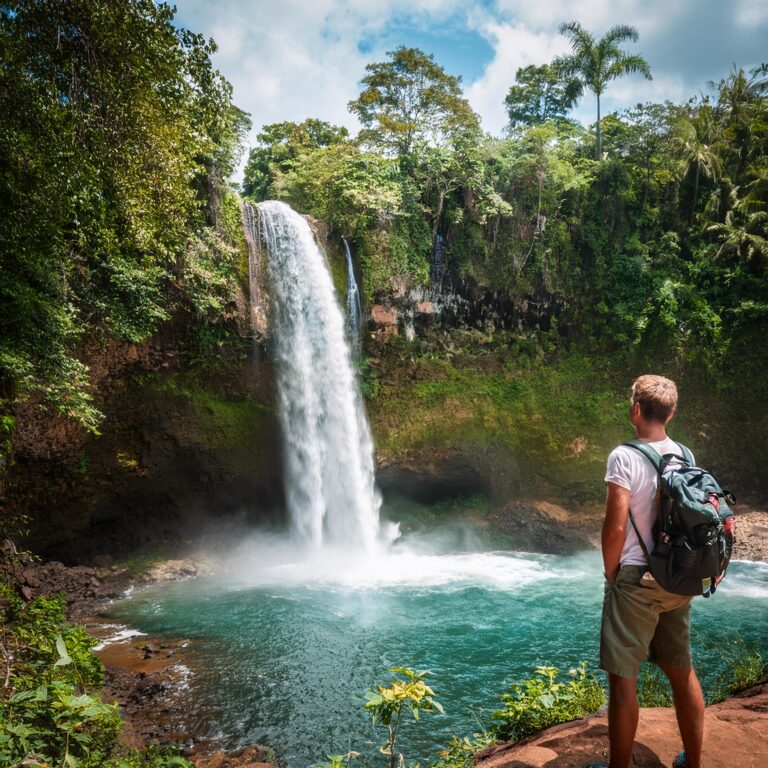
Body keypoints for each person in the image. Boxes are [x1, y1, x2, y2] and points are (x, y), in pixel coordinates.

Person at [594, 374, 704, 768]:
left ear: (635, 410)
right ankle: (693, 762)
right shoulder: (685, 454)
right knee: (681, 671)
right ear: (671, 413)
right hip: (678, 577)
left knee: (623, 680)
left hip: (637, 581)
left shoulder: (623, 456)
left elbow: (615, 527)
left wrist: (612, 575)